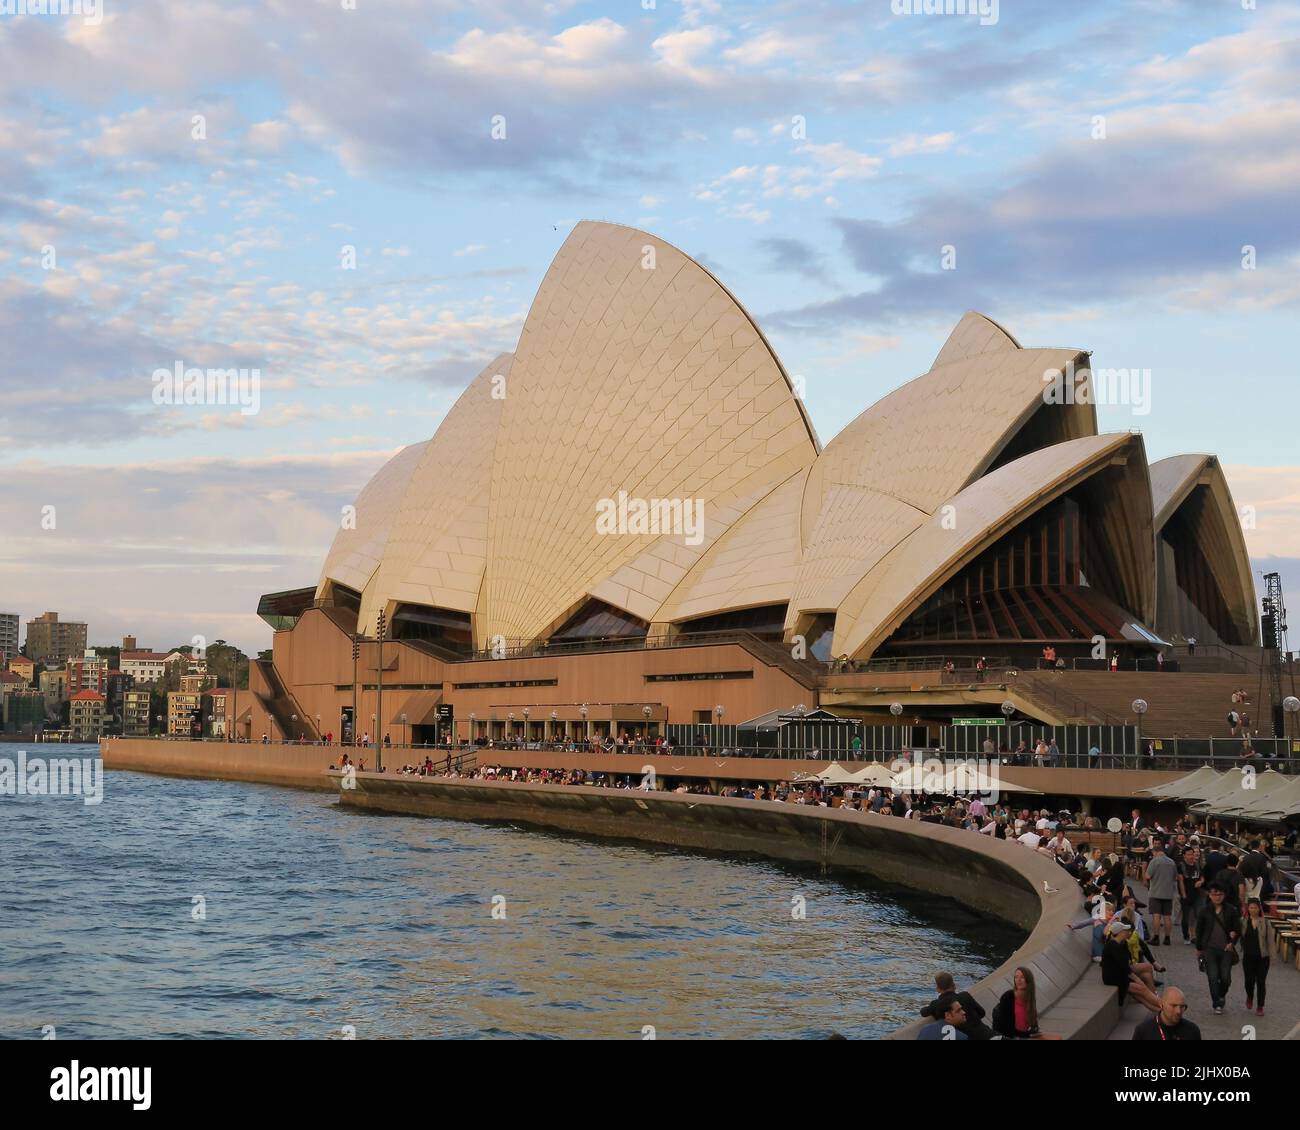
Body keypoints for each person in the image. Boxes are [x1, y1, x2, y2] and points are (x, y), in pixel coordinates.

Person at [1195, 885, 1241, 1015]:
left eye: (1220, 894)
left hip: (1226, 949)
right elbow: (1199, 930)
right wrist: (1199, 948)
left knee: (1226, 978)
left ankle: (1221, 994)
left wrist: (1232, 941)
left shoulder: (1231, 910)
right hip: (1209, 949)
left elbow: (1237, 929)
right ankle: (1217, 1003)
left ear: (1224, 895)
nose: (1217, 897)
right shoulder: (1205, 911)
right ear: (1209, 895)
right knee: (1213, 976)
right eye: (1214, 894)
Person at [1101, 919, 1162, 1012]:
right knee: (1143, 990)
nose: (1128, 932)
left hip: (1120, 975)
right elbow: (1126, 969)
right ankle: (1165, 1006)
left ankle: (1161, 1011)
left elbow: (1127, 964)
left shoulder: (1120, 943)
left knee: (1142, 994)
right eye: (1125, 930)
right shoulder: (1113, 946)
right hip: (1115, 979)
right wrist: (1139, 981)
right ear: (1120, 933)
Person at [920, 974, 994, 1040]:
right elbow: (982, 1013)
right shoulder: (965, 996)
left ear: (938, 989)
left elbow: (923, 1012)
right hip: (989, 1034)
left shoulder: (936, 1004)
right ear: (954, 985)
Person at [992, 967, 1058, 1038]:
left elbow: (1034, 1025)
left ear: (1029, 980)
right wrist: (1027, 1035)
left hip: (1024, 1035)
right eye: (1016, 977)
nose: (1019, 980)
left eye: (1022, 977)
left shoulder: (1030, 999)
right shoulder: (1008, 996)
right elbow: (1007, 1028)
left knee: (1057, 1038)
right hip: (1009, 1036)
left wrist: (1034, 1032)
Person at [1239, 898, 1273, 1016]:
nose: (1253, 909)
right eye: (1251, 907)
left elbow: (1270, 941)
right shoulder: (1243, 922)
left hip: (1263, 958)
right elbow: (1237, 935)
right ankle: (1249, 996)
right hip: (1248, 957)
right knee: (1249, 981)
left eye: (1255, 907)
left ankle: (1260, 1006)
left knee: (1261, 981)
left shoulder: (1265, 922)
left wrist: (1272, 956)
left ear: (1259, 909)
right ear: (1248, 909)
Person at [1131, 987, 1200, 1040]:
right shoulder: (1143, 1031)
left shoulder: (1192, 1030)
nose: (1178, 1011)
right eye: (1173, 1006)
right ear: (1161, 1004)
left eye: (1182, 1006)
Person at [1144, 840, 1178, 946]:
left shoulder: (1154, 861)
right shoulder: (1172, 862)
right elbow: (1175, 877)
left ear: (1155, 852)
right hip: (1168, 893)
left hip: (1156, 892)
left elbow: (1147, 876)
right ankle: (1167, 938)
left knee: (1156, 916)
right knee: (1167, 916)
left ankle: (1156, 937)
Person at [1177, 845, 1204, 945]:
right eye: (1189, 854)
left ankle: (1195, 935)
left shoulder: (1197, 865)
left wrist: (1200, 882)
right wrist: (1183, 895)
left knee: (1197, 915)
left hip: (1197, 894)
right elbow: (1181, 881)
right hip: (1186, 894)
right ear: (1184, 856)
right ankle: (1186, 936)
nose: (1191, 856)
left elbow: (1202, 877)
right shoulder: (1181, 866)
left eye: (1192, 854)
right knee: (1186, 917)